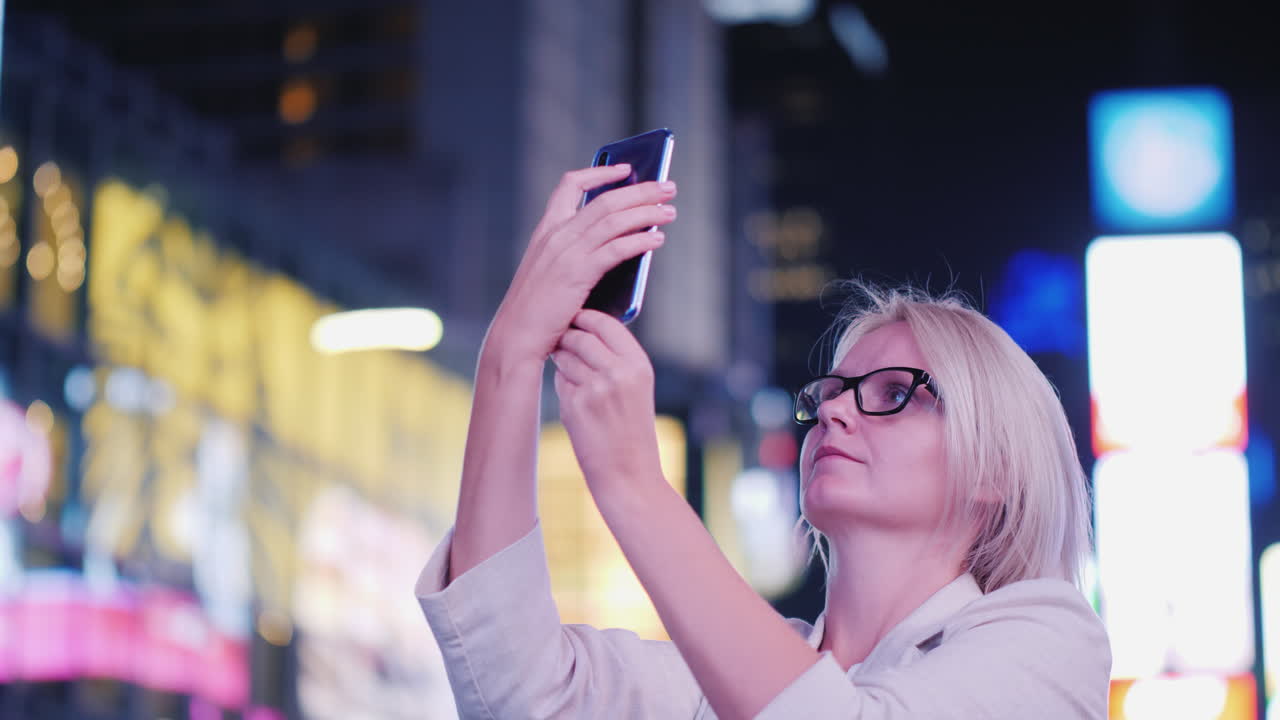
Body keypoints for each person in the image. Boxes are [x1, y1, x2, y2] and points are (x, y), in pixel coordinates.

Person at [415, 165, 1111, 719]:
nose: (837, 412)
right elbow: (522, 687)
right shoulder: (725, 673)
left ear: (995, 466)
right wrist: (510, 357)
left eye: (894, 393)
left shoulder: (1050, 641)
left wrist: (635, 483)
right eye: (832, 391)